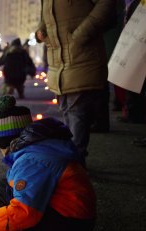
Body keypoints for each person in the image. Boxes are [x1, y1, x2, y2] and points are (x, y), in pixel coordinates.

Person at [0, 95, 96, 231]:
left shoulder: (31, 160)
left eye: (1, 148)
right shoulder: (41, 145)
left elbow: (25, 212)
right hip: (71, 219)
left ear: (9, 144)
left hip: (68, 226)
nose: (1, 154)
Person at [35, 0, 115, 164]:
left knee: (76, 111)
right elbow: (47, 16)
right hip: (59, 61)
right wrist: (40, 31)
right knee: (66, 108)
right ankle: (73, 159)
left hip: (81, 56)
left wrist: (81, 34)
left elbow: (106, 5)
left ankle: (74, 161)